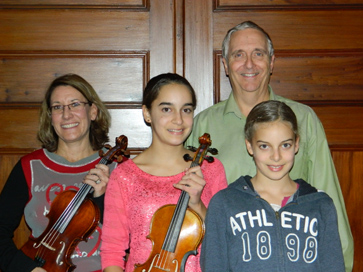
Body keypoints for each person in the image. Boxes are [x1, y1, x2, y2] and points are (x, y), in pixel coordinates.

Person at [185, 21, 353, 271]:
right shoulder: (201, 126)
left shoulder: (304, 118)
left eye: (258, 54)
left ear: (272, 62)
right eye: (238, 54)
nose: (249, 64)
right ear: (225, 65)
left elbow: (328, 204)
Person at [101, 73, 228, 272]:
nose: (178, 120)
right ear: (147, 113)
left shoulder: (211, 168)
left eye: (186, 110)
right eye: (167, 109)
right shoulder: (124, 176)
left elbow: (226, 239)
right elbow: (112, 250)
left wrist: (198, 205)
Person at [200, 100, 345, 271]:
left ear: (296, 144)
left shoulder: (320, 205)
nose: (276, 157)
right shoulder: (224, 204)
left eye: (285, 145)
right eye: (264, 146)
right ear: (250, 146)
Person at [0, 74, 122, 272]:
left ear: (92, 112)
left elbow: (134, 236)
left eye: (75, 104)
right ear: (50, 116)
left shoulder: (118, 168)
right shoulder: (29, 166)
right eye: (57, 107)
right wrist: (26, 268)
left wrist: (102, 199)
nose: (66, 115)